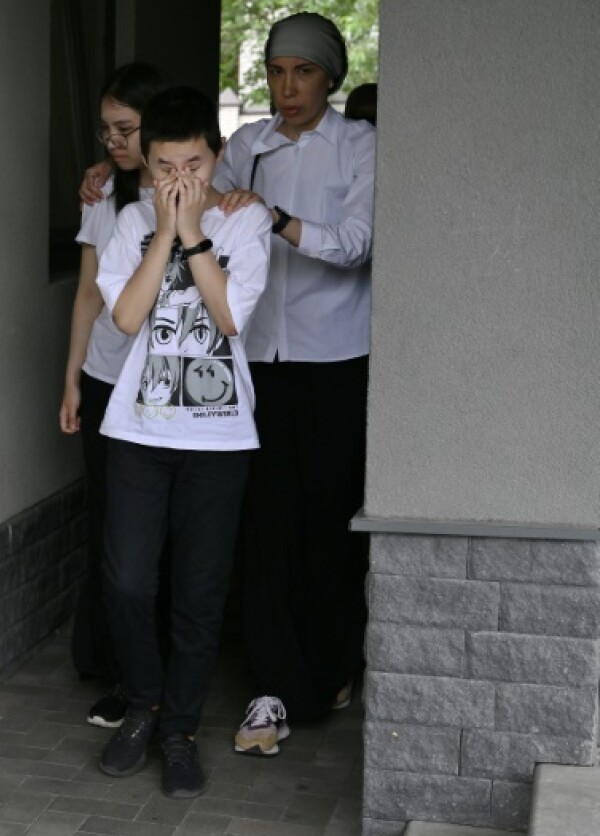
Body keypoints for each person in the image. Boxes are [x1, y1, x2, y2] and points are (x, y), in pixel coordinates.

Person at [94, 86, 271, 798]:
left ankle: (181, 731)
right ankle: (145, 703)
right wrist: (165, 231)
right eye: (165, 167)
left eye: (192, 164)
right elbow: (130, 317)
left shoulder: (245, 223)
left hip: (220, 437)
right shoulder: (129, 221)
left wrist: (196, 230)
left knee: (199, 592)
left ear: (217, 154)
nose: (179, 181)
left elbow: (228, 319)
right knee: (128, 580)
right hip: (137, 429)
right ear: (147, 163)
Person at [213, 12, 376, 756]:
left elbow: (354, 246)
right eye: (277, 71)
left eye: (302, 72)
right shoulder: (245, 146)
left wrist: (276, 219)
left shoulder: (360, 146)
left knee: (328, 521)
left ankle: (331, 667)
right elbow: (194, 218)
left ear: (329, 77)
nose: (286, 87)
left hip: (336, 359)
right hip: (255, 363)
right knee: (266, 520)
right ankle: (272, 682)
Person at [61, 63, 172, 729]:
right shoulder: (99, 195)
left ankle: (165, 676)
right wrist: (71, 376)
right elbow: (84, 294)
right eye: (105, 130)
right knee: (110, 530)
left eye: (125, 129)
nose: (112, 142)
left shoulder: (187, 194)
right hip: (106, 381)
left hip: (166, 392)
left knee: (160, 539)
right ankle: (116, 672)